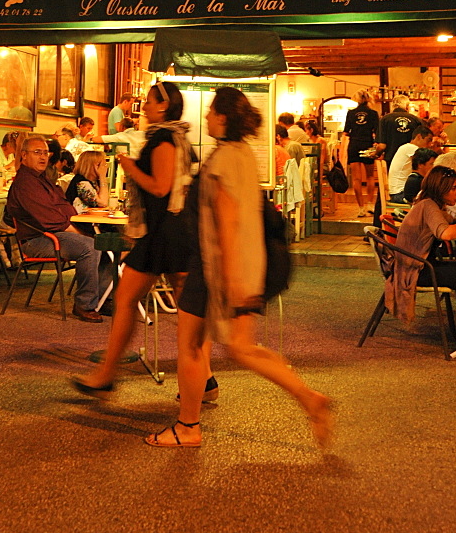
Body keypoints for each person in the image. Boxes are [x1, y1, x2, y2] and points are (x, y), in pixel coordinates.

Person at [145, 86, 333, 448]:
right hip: (247, 266)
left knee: (191, 345)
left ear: (224, 117)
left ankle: (188, 427)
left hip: (217, 268)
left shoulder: (223, 160)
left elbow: (227, 223)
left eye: (212, 111)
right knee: (242, 349)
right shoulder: (243, 153)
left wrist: (229, 282)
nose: (206, 117)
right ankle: (309, 398)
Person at [72, 81, 200, 394]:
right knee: (184, 308)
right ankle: (204, 381)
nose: (143, 105)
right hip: (171, 233)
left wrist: (129, 165)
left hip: (161, 235)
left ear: (164, 107)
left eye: (150, 100)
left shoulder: (164, 140)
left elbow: (159, 186)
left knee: (128, 300)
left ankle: (106, 374)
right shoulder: (177, 137)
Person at [385, 165, 456, 358]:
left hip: (418, 265)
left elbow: (448, 223)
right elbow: (446, 233)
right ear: (441, 188)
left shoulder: (428, 203)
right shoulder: (428, 206)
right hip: (419, 270)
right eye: (454, 188)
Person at [5, 134, 105, 322]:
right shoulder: (26, 183)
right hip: (37, 240)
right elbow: (50, 220)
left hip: (55, 233)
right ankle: (85, 304)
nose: (43, 157)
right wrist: (82, 232)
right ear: (24, 156)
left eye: (45, 153)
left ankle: (105, 297)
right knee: (90, 246)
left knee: (106, 240)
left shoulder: (42, 178)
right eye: (37, 153)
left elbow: (63, 206)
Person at [343, 90, 379, 217]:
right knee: (370, 176)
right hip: (367, 144)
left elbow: (346, 132)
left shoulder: (351, 113)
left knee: (356, 178)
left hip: (354, 144)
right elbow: (377, 131)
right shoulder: (373, 113)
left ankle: (361, 208)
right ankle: (370, 204)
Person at [387, 125, 433, 201]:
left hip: (398, 192)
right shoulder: (410, 148)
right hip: (400, 194)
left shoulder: (405, 147)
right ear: (419, 137)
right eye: (428, 140)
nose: (429, 144)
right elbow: (428, 161)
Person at [376, 96, 424, 165]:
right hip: (412, 158)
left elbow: (382, 146)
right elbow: (422, 142)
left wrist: (376, 154)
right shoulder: (416, 120)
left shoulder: (385, 119)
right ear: (407, 106)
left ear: (393, 106)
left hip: (392, 159)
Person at [65, 150, 109, 218]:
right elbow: (103, 203)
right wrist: (102, 176)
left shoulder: (94, 182)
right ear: (94, 166)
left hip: (90, 220)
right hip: (79, 223)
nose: (105, 168)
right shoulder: (81, 183)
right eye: (102, 165)